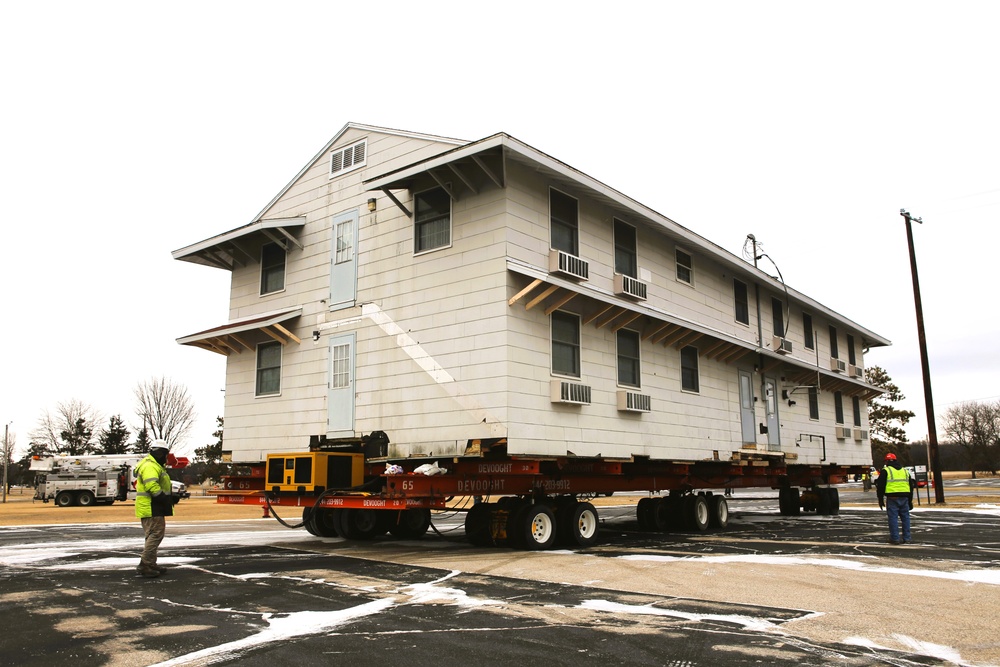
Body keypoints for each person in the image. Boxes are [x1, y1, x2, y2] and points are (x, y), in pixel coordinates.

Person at [135, 440, 176, 578]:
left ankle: (150, 563)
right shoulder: (150, 466)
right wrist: (164, 498)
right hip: (152, 506)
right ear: (160, 453)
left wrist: (169, 496)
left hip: (152, 506)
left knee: (152, 535)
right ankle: (145, 564)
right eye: (165, 454)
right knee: (156, 534)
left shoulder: (153, 465)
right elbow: (151, 485)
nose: (166, 458)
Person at [875, 452, 915, 545]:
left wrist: (880, 499)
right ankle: (907, 538)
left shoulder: (886, 470)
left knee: (893, 518)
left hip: (892, 497)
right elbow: (911, 486)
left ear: (887, 461)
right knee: (905, 518)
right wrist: (910, 500)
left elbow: (880, 486)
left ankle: (895, 538)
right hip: (905, 497)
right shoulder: (905, 471)